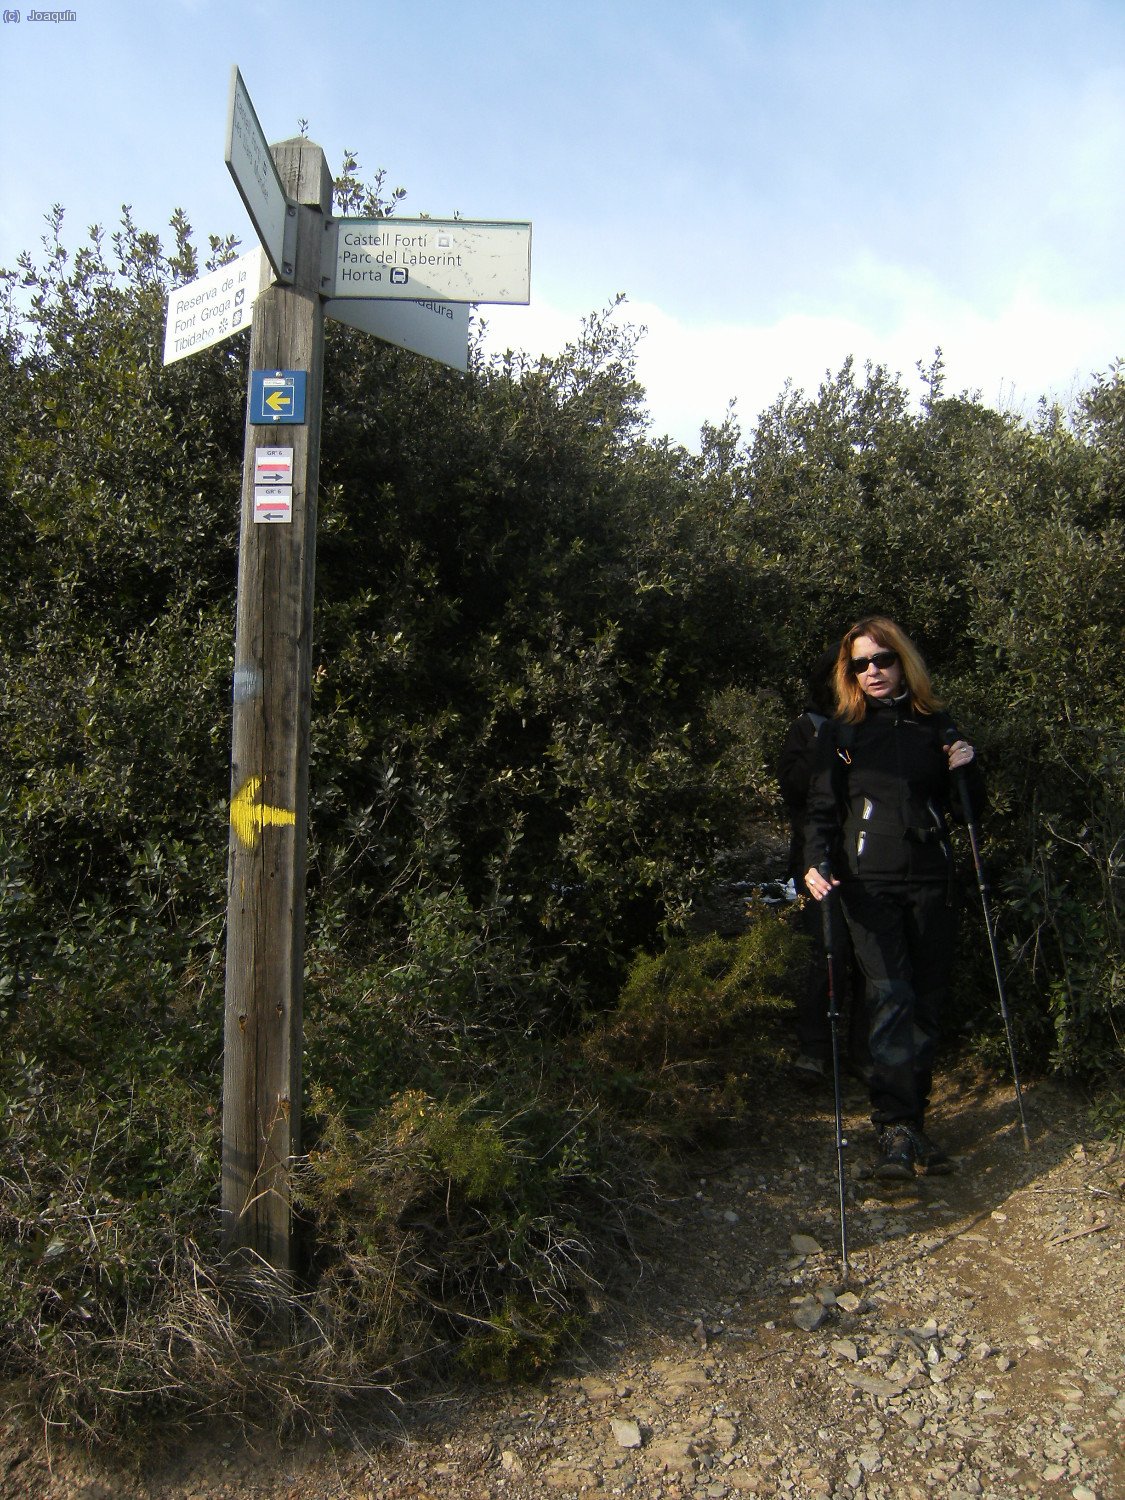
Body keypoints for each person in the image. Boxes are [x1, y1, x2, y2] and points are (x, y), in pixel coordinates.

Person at [803, 616, 986, 1178]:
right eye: (860, 664)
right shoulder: (843, 733)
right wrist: (814, 863)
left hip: (932, 880)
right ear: (849, 673)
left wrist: (968, 767)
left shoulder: (937, 725)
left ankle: (914, 1123)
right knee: (891, 997)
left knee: (926, 1002)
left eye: (882, 660)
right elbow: (822, 808)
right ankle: (893, 1127)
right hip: (868, 883)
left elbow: (969, 810)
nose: (872, 672)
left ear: (903, 662)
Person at [778, 645, 868, 1084]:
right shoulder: (807, 728)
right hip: (817, 859)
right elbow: (793, 789)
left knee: (869, 958)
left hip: (868, 858)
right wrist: (823, 744)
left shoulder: (872, 725)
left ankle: (864, 1053)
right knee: (826, 951)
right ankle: (814, 1049)